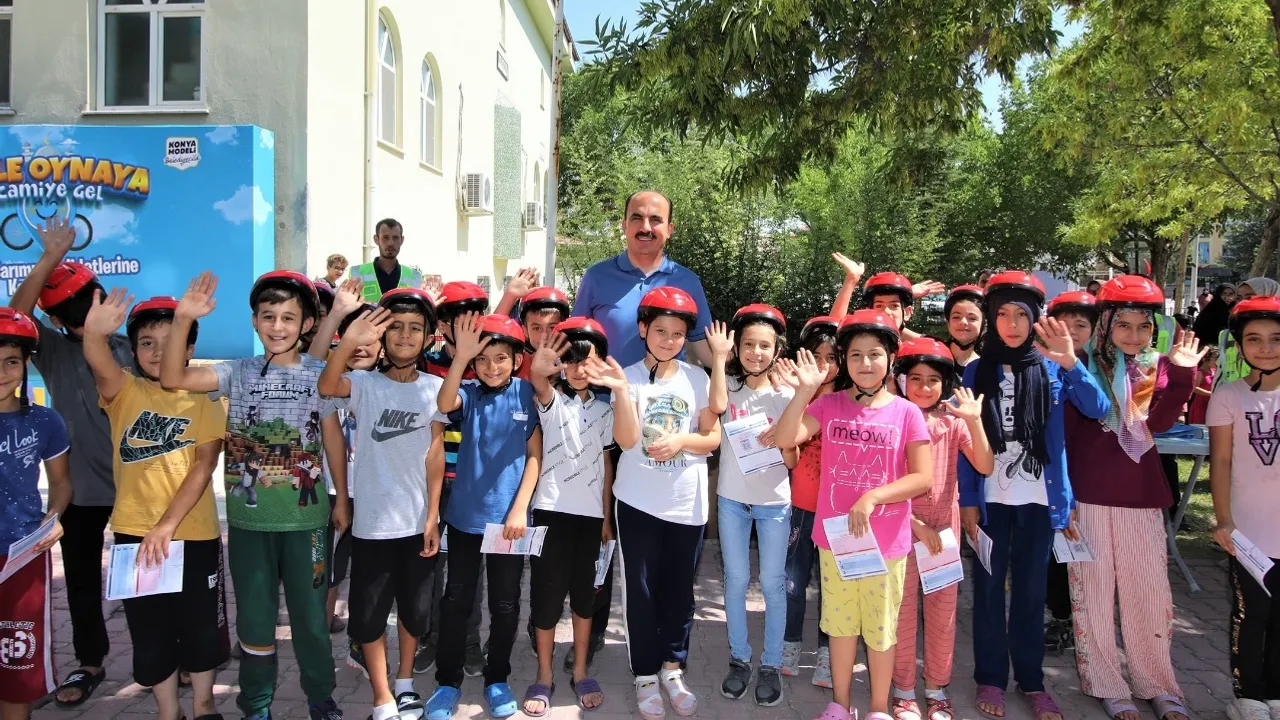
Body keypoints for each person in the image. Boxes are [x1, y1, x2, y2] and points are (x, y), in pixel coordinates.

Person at [159, 270, 348, 720]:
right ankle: (256, 703)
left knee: (311, 619)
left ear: (306, 324)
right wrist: (183, 319)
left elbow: (332, 437)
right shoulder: (236, 372)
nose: (277, 326)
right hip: (249, 524)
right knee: (255, 620)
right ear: (254, 321)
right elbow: (172, 377)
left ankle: (320, 696)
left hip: (307, 523)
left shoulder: (321, 374)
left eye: (288, 317)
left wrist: (341, 497)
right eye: (268, 316)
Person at [569, 190, 715, 664]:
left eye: (656, 219)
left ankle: (663, 647)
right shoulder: (598, 276)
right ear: (624, 224)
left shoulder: (686, 280)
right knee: (598, 530)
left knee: (648, 537)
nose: (646, 226)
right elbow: (578, 340)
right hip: (600, 416)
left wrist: (736, 375)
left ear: (669, 228)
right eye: (637, 218)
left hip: (663, 423)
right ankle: (589, 635)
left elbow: (704, 348)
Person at [957, 270, 1110, 720]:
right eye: (1002, 314)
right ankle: (990, 677)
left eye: (1021, 315)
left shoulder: (1051, 365)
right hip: (991, 500)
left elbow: (1098, 408)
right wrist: (968, 500)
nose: (1011, 324)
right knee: (987, 591)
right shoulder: (975, 370)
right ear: (991, 318)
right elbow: (965, 441)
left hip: (1040, 501)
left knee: (1029, 592)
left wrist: (1071, 362)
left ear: (1035, 318)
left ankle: (1032, 680)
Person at [773, 310, 933, 720]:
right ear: (844, 359)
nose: (865, 363)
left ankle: (878, 707)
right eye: (856, 354)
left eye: (875, 353)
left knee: (880, 630)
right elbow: (786, 438)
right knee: (841, 627)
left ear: (891, 358)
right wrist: (803, 391)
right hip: (838, 541)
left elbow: (923, 478)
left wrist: (873, 497)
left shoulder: (907, 413)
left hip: (887, 545)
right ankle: (840, 704)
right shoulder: (829, 404)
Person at [81, 291, 230, 720]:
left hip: (194, 534)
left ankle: (203, 704)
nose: (158, 351)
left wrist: (166, 526)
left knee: (201, 629)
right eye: (147, 342)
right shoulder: (124, 390)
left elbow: (204, 466)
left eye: (171, 341)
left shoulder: (205, 396)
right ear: (132, 350)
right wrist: (93, 334)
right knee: (150, 633)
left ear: (190, 348)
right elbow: (98, 361)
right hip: (135, 533)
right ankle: (168, 710)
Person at [7, 218, 134, 708]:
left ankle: (166, 657)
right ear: (58, 321)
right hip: (78, 491)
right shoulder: (55, 352)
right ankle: (91, 661)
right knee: (82, 582)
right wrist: (50, 258)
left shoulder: (131, 348)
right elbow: (13, 317)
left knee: (144, 581)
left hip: (135, 489)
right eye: (78, 306)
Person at [1066, 276, 1200, 720]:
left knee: (1150, 594)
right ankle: (1107, 683)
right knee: (1093, 594)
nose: (1134, 336)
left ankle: (1157, 684)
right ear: (1105, 324)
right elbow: (1064, 436)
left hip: (1141, 496)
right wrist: (1062, 501)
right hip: (1087, 496)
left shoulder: (1154, 367)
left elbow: (1156, 425)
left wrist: (1182, 375)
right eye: (1124, 325)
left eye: (1144, 327)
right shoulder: (1077, 363)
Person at [584, 286, 720, 720]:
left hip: (687, 504)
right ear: (643, 329)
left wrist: (681, 441)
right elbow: (627, 440)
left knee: (679, 593)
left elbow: (713, 438)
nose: (669, 339)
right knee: (640, 593)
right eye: (660, 330)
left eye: (678, 333)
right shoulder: (625, 376)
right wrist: (622, 393)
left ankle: (672, 668)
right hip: (638, 502)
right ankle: (644, 674)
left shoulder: (698, 378)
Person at [318, 288, 445, 720]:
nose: (405, 336)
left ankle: (405, 683)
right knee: (369, 617)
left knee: (414, 612)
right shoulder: (364, 385)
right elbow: (327, 385)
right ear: (382, 336)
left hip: (417, 524)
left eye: (415, 328)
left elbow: (435, 454)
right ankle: (381, 694)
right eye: (396, 327)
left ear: (428, 337)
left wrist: (432, 516)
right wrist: (349, 340)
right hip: (372, 524)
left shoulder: (435, 389)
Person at [426, 313, 541, 720]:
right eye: (483, 359)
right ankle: (447, 682)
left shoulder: (527, 393)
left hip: (509, 524)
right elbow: (444, 404)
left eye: (501, 358)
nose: (492, 367)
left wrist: (520, 508)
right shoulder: (469, 392)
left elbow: (535, 456)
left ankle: (497, 679)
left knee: (505, 604)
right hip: (464, 520)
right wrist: (461, 359)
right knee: (455, 601)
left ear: (517, 360)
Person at [891, 338, 993, 720]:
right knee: (902, 611)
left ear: (945, 383)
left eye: (933, 380)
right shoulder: (893, 419)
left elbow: (985, 465)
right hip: (901, 528)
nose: (924, 387)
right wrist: (916, 525)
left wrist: (974, 420)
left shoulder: (952, 422)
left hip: (944, 532)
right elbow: (881, 483)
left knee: (943, 612)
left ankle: (936, 688)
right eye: (915, 378)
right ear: (901, 379)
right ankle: (903, 690)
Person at [522, 318, 615, 715]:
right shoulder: (551, 401)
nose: (578, 369)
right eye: (570, 360)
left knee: (584, 600)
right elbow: (538, 381)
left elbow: (608, 465)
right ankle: (544, 674)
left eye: (587, 361)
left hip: (591, 519)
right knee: (546, 599)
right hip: (550, 514)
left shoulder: (606, 411)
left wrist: (606, 518)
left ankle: (580, 671)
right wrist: (541, 365)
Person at [706, 305, 796, 706]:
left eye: (764, 346)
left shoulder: (787, 393)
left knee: (773, 584)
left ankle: (771, 663)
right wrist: (718, 358)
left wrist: (783, 438)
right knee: (736, 579)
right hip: (732, 501)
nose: (756, 352)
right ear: (736, 347)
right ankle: (739, 659)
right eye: (748, 344)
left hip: (774, 503)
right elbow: (717, 407)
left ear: (777, 349)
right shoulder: (726, 384)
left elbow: (793, 459)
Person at [1207, 295, 1280, 720]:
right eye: (1254, 339)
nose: (1266, 348)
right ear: (1239, 345)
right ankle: (1248, 694)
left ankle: (1275, 693)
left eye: (1276, 339)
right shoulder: (1228, 396)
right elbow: (1221, 461)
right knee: (1253, 613)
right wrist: (1224, 520)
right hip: (1249, 530)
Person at [416, 281, 490, 678]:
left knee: (470, 568)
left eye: (477, 319)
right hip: (432, 482)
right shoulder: (424, 363)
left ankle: (469, 638)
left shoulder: (492, 364)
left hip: (473, 484)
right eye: (460, 321)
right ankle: (431, 636)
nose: (471, 329)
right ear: (443, 325)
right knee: (431, 563)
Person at [0, 308, 71, 720]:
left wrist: (54, 517)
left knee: (17, 664)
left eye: (11, 361)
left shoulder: (46, 421)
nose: (2, 372)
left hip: (22, 557)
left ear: (27, 363)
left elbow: (62, 484)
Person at [1042, 289, 1101, 654]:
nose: (1072, 332)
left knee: (1087, 549)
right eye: (1064, 324)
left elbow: (1099, 408)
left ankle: (1089, 620)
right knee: (1056, 548)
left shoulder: (1103, 367)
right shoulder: (1040, 363)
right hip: (1056, 470)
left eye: (1081, 325)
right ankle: (1060, 616)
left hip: (1093, 469)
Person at [783, 315, 840, 688]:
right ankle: (790, 644)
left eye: (832, 357)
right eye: (816, 357)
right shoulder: (799, 394)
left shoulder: (849, 401)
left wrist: (849, 286)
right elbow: (787, 448)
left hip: (838, 511)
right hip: (801, 505)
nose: (824, 365)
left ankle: (827, 654)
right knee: (794, 580)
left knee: (832, 586)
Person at [1217, 278, 1280, 388]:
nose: (1243, 302)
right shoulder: (1226, 335)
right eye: (1239, 298)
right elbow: (1221, 372)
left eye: (1249, 297)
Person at [350, 219, 425, 302]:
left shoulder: (415, 277)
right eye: (385, 237)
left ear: (402, 240)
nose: (390, 243)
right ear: (376, 239)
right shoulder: (356, 273)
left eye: (395, 238)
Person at [945, 285, 985, 366]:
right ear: (948, 323)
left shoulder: (985, 367)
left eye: (972, 318)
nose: (963, 322)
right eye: (956, 317)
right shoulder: (932, 356)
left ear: (983, 324)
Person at [1193, 283, 1237, 350]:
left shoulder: (1237, 310)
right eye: (1224, 294)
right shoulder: (1209, 311)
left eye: (1231, 294)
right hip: (1210, 349)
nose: (1227, 297)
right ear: (1218, 295)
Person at [1187, 346, 1219, 425]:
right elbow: (1194, 388)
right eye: (1215, 359)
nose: (1217, 361)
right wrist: (1210, 394)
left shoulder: (1215, 371)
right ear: (1206, 359)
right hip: (1201, 404)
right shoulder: (1200, 372)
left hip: (1212, 403)